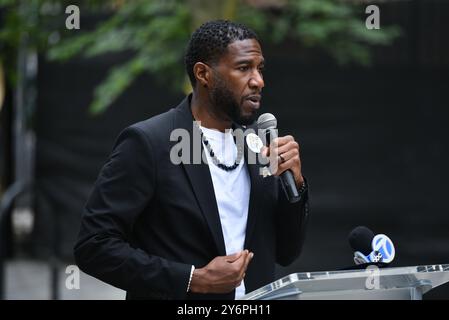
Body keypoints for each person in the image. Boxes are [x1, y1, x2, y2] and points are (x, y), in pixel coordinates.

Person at [74, 20, 309, 300]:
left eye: (260, 68)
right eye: (244, 68)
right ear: (203, 74)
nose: (259, 80)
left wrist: (296, 185)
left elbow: (286, 253)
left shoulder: (256, 147)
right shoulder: (150, 142)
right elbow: (94, 246)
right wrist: (192, 279)